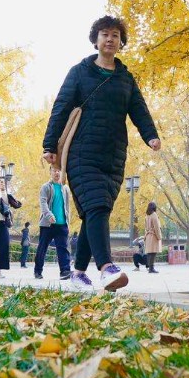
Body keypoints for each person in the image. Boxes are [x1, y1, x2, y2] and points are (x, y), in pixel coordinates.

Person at [42, 15, 161, 293]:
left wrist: (151, 135)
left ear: (121, 43)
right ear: (95, 40)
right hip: (83, 152)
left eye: (116, 35)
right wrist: (49, 145)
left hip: (114, 154)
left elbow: (139, 111)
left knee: (97, 210)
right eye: (105, 34)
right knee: (96, 205)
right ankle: (106, 268)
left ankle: (77, 274)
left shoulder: (126, 78)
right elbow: (61, 106)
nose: (110, 39)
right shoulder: (79, 72)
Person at [35, 166, 72, 280]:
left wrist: (67, 221)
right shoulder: (46, 187)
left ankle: (65, 271)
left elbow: (67, 206)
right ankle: (38, 271)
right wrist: (49, 215)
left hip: (62, 224)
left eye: (59, 171)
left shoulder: (65, 188)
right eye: (54, 170)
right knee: (42, 248)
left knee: (63, 248)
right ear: (50, 172)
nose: (57, 173)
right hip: (48, 224)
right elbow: (43, 203)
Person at [143, 202, 162, 274]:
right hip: (153, 236)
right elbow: (157, 227)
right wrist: (159, 236)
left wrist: (145, 236)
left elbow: (145, 227)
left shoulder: (147, 215)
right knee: (153, 253)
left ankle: (150, 267)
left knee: (149, 253)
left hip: (148, 236)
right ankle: (151, 268)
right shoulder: (154, 215)